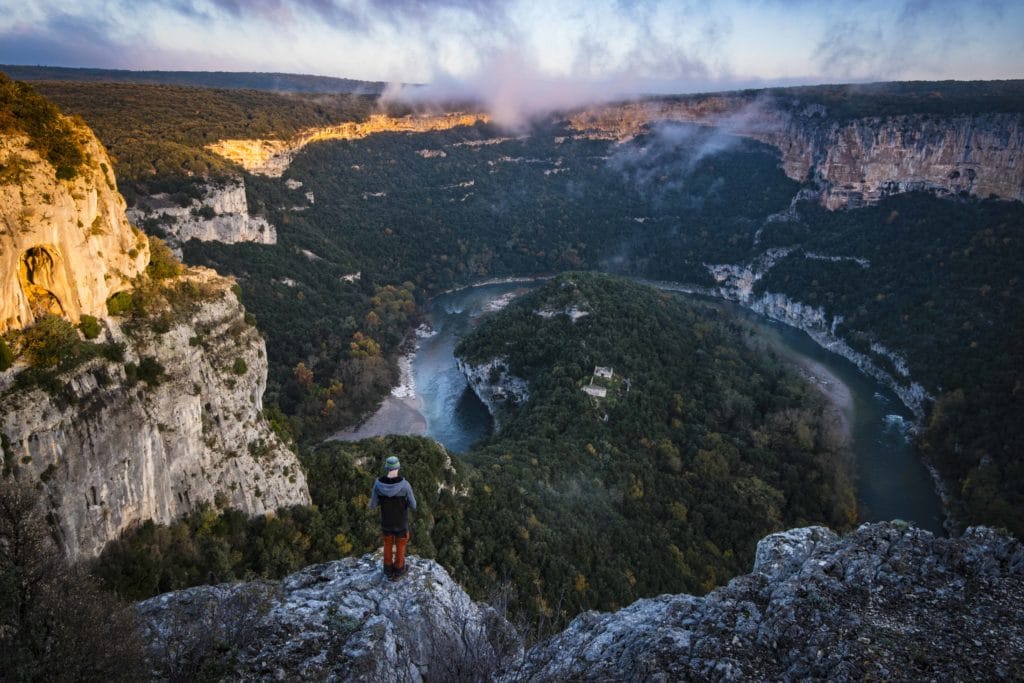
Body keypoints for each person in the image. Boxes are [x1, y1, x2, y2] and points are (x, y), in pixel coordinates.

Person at [369, 455, 417, 579]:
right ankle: (399, 570)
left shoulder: (378, 484)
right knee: (401, 545)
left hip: (386, 522)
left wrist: (383, 501)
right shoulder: (405, 485)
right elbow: (413, 505)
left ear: (387, 468)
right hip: (401, 523)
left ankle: (388, 569)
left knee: (387, 544)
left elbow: (372, 505)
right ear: (398, 467)